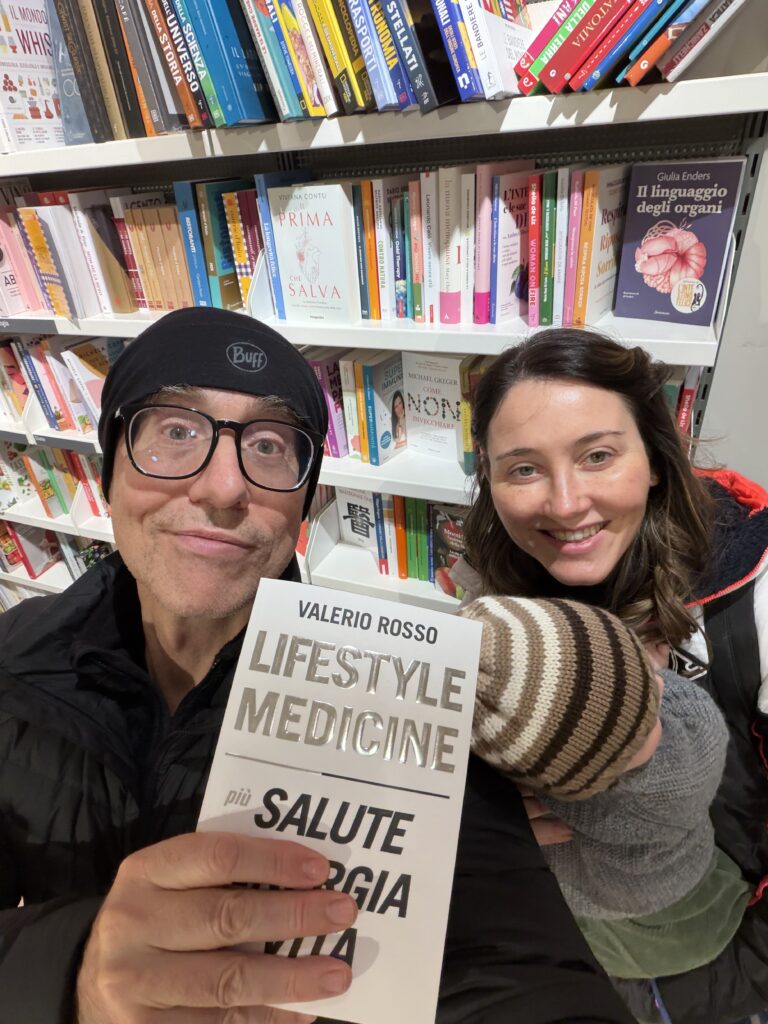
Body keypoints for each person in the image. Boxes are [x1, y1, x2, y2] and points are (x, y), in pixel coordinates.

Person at [0, 308, 639, 1024]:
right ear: (109, 471)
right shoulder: (11, 664)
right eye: (176, 432)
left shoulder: (392, 688)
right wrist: (68, 974)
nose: (222, 487)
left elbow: (515, 965)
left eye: (269, 445)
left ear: (304, 504)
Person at [452, 326, 768, 1024]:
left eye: (597, 456)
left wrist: (734, 979)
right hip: (555, 926)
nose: (565, 504)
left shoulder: (753, 602)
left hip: (709, 947)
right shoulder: (491, 578)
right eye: (523, 469)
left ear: (655, 455)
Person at [459, 592, 751, 983]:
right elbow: (681, 696)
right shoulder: (702, 736)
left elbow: (552, 857)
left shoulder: (558, 799)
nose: (659, 687)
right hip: (688, 875)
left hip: (613, 903)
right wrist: (650, 669)